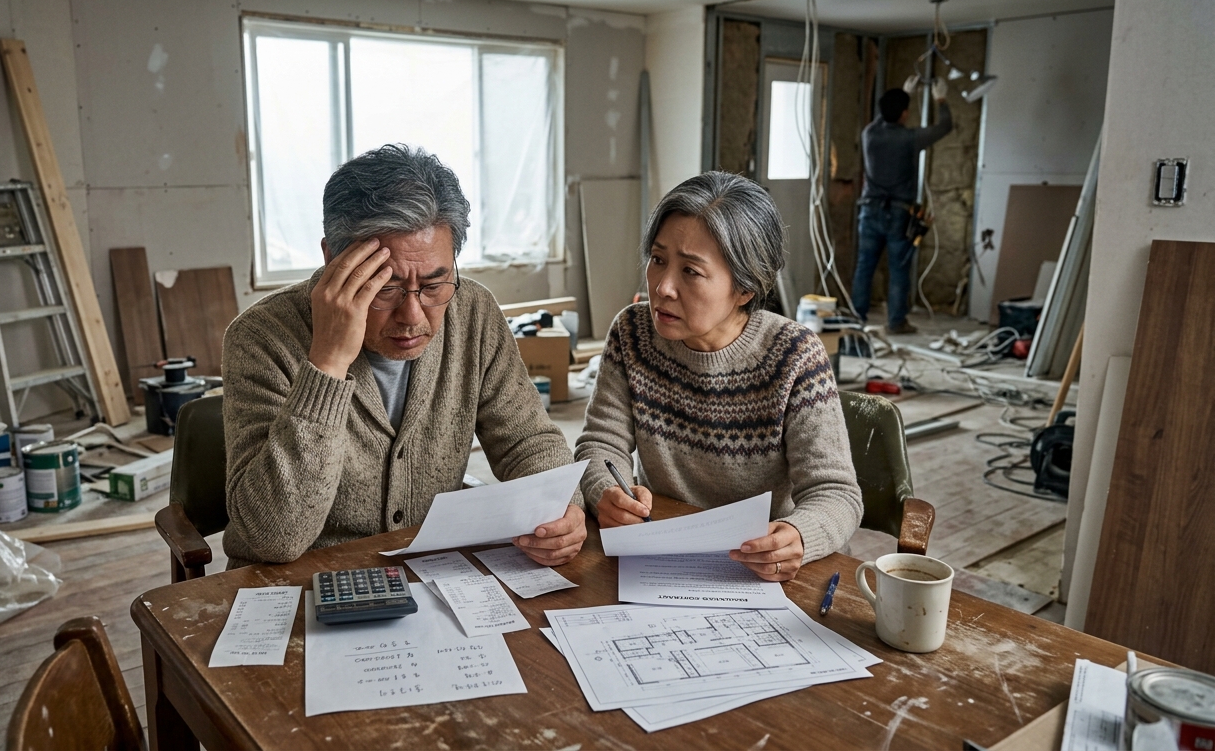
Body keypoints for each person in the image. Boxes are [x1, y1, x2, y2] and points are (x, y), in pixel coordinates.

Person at [223, 144, 586, 568]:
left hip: (429, 569)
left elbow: (527, 440)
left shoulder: (473, 312)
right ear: (331, 260)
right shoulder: (260, 337)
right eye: (386, 288)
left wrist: (561, 507)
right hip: (300, 580)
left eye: (434, 285)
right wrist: (327, 364)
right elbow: (273, 538)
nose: (414, 317)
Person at [575, 171, 863, 582]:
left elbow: (836, 494)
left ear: (744, 289)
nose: (663, 288)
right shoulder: (632, 335)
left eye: (691, 271)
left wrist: (799, 535)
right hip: (661, 557)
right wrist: (606, 490)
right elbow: (600, 443)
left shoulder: (794, 356)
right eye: (658, 260)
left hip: (758, 568)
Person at [851, 78, 953, 334]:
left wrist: (903, 94)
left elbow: (879, 120)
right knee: (898, 269)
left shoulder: (869, 134)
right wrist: (940, 99)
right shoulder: (909, 138)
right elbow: (945, 126)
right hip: (898, 214)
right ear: (905, 114)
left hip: (869, 210)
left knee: (865, 266)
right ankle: (896, 322)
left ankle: (855, 319)